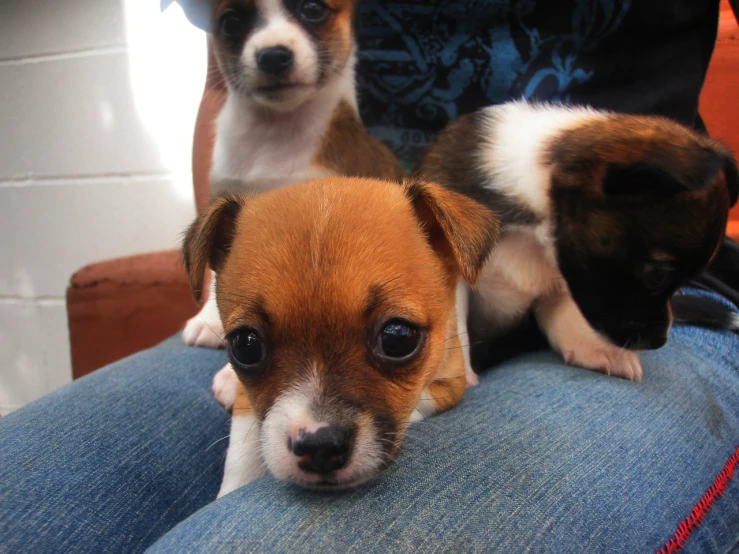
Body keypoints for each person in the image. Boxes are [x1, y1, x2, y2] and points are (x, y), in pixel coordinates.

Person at [1, 1, 738, 552]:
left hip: (637, 284)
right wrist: (230, 296)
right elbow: (224, 88)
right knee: (25, 500)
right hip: (318, 291)